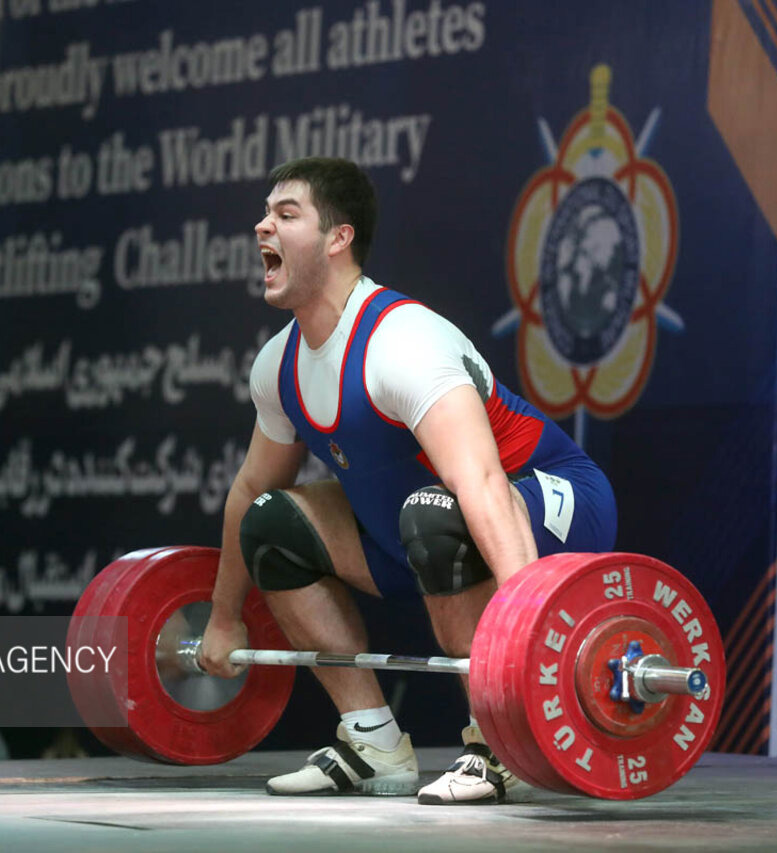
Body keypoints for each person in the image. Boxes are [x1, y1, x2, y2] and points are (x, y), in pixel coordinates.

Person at [197, 157, 617, 804]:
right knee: (272, 520)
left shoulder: (404, 344)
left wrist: (533, 629)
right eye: (264, 213)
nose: (262, 227)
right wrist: (224, 619)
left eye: (286, 215)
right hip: (416, 525)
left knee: (435, 507)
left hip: (549, 503)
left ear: (339, 238)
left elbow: (482, 482)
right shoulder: (278, 364)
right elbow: (250, 491)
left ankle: (496, 740)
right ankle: (372, 740)